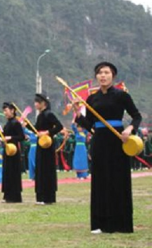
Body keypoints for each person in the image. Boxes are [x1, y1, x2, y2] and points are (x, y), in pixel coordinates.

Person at [75, 62, 141, 234]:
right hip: (99, 141)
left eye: (106, 72)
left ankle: (121, 223)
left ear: (113, 75)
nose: (103, 76)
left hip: (118, 140)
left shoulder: (121, 96)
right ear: (96, 76)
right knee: (100, 181)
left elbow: (136, 116)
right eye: (100, 73)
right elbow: (90, 125)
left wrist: (129, 128)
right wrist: (78, 113)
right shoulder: (92, 98)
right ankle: (99, 223)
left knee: (118, 179)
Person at [30, 94, 63, 205]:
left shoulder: (49, 114)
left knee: (47, 169)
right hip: (41, 144)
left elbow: (59, 126)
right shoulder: (40, 115)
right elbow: (37, 130)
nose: (35, 104)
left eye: (37, 102)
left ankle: (48, 197)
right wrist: (27, 125)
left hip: (48, 145)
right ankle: (40, 196)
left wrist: (48, 132)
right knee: (40, 168)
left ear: (43, 103)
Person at [0, 103, 25, 203]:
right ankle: (7, 195)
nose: (5, 113)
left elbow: (21, 137)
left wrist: (11, 138)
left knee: (13, 173)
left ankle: (15, 196)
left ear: (12, 110)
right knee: (7, 172)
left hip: (14, 151)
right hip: (7, 150)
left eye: (6, 110)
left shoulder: (16, 123)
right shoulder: (8, 123)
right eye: (4, 111)